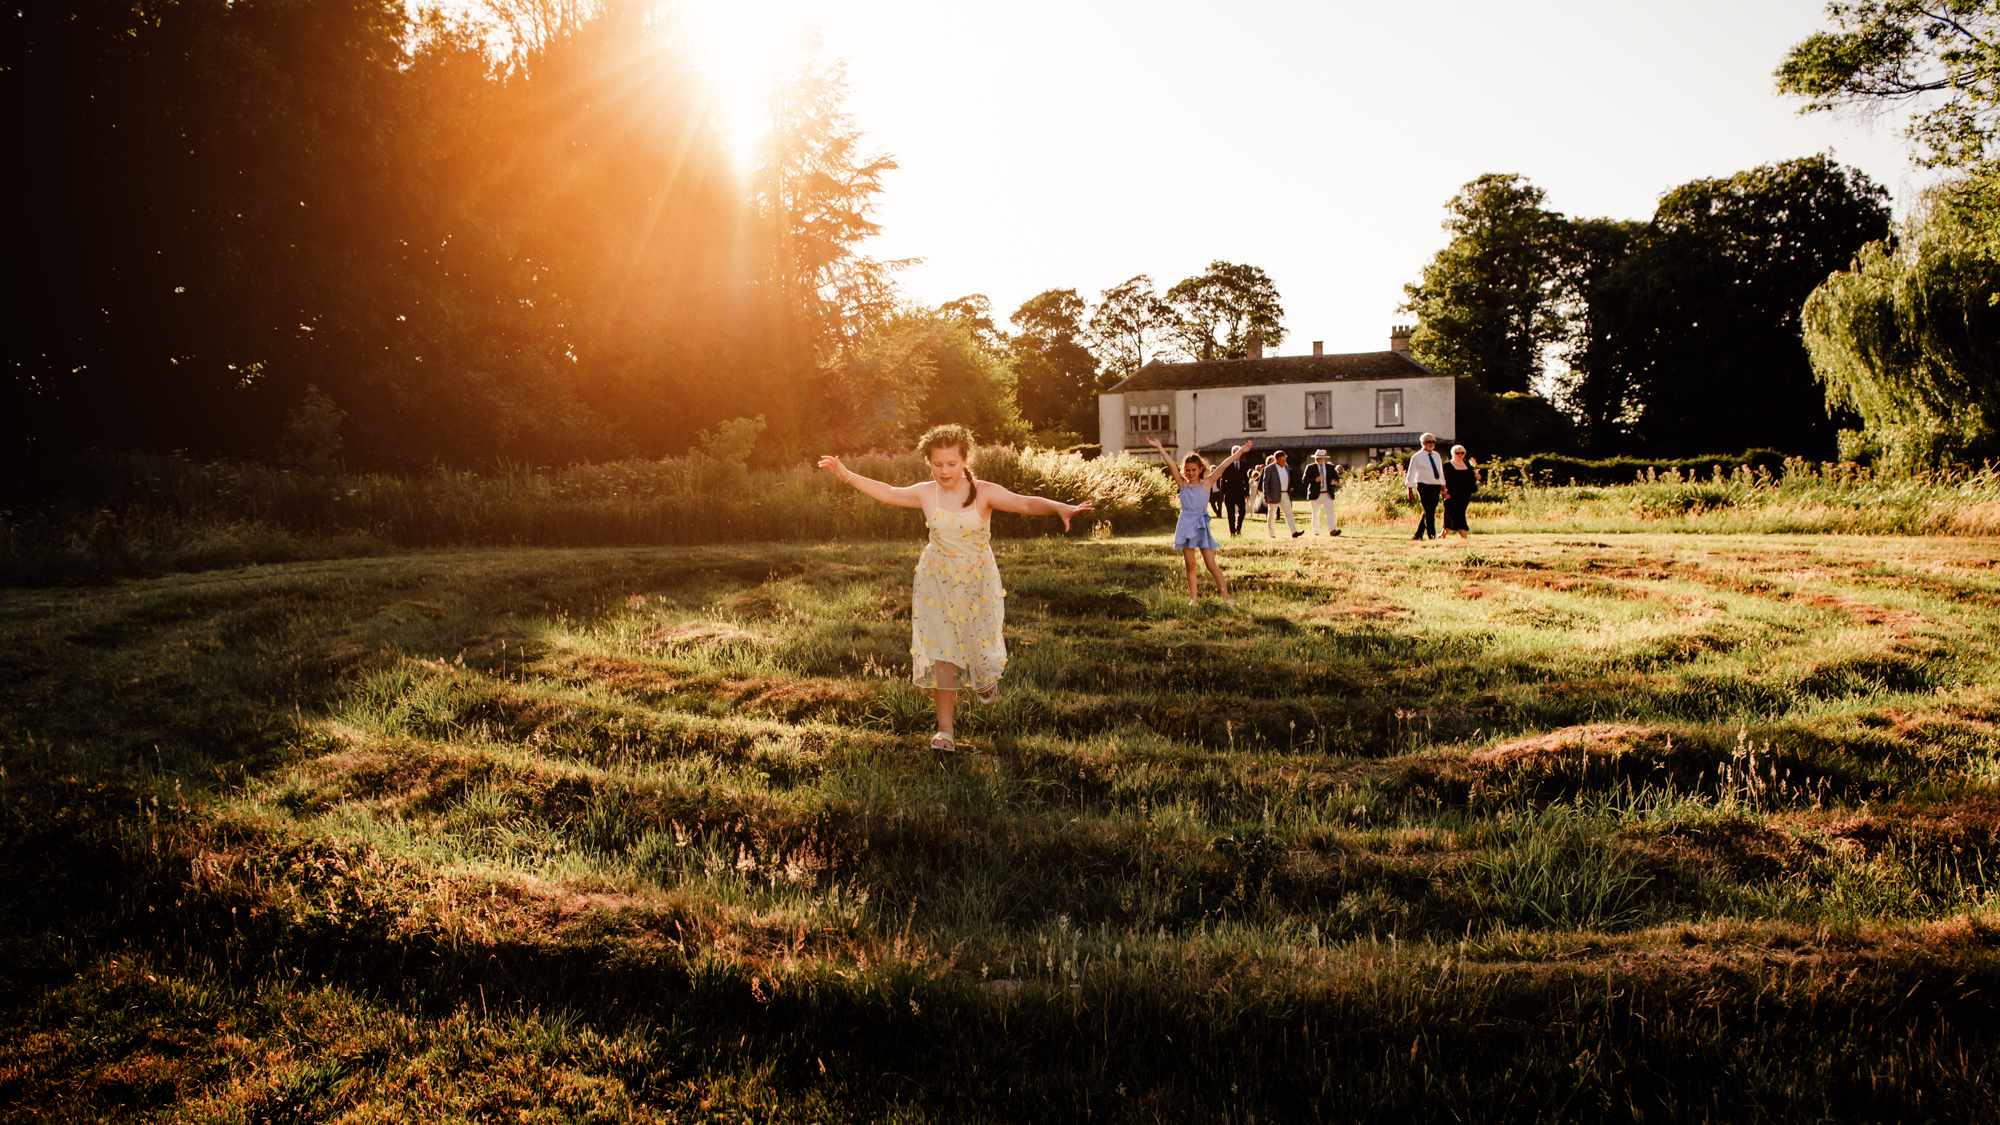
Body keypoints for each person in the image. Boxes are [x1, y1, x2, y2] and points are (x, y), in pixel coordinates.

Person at [819, 424, 1093, 754]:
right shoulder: (925, 492)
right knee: (942, 652)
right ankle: (944, 731)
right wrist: (847, 475)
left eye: (951, 463)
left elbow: (1025, 503)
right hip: (936, 579)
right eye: (937, 464)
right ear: (929, 463)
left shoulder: (985, 491)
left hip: (977, 579)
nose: (944, 471)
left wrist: (1058, 507)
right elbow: (889, 492)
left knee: (978, 644)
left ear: (965, 460)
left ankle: (984, 675)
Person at [1148, 436, 1251, 604]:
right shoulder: (1182, 484)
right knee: (1190, 565)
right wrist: (1159, 447)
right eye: (1187, 470)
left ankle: (1227, 597)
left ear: (1200, 469)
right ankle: (1194, 599)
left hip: (1201, 525)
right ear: (1184, 471)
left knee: (1211, 564)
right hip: (1186, 525)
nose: (1190, 473)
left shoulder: (1207, 483)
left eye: (1194, 470)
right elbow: (1171, 464)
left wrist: (1240, 452)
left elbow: (1224, 465)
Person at [1404, 433, 1446, 541]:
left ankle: (1418, 534)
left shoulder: (1436, 455)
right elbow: (1411, 473)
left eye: (1433, 441)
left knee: (1430, 510)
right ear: (1423, 443)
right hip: (1424, 486)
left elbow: (1440, 471)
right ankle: (1431, 535)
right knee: (1429, 510)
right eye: (1429, 442)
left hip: (1435, 485)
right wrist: (1410, 489)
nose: (1431, 444)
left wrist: (1443, 486)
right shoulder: (1417, 457)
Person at [1442, 444, 1480, 538]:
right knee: (1450, 513)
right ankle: (1463, 535)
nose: (1459, 455)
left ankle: (1443, 533)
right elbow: (1441, 480)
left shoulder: (1467, 465)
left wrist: (1477, 477)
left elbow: (1471, 478)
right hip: (1451, 493)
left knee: (1459, 512)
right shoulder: (1446, 466)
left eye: (1462, 453)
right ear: (1452, 453)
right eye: (1457, 453)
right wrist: (1443, 491)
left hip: (1464, 493)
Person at [1302, 449, 1343, 537]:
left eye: (1320, 458)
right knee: (1315, 514)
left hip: (1327, 493)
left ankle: (1332, 530)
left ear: (1324, 458)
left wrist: (1336, 483)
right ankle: (1316, 532)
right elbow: (1304, 480)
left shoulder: (1330, 467)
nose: (1318, 459)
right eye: (1316, 458)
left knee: (1330, 513)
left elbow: (1336, 478)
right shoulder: (1310, 467)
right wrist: (1314, 480)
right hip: (1315, 493)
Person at [1263, 449, 1303, 538]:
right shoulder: (1269, 469)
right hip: (1273, 494)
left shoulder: (1286, 467)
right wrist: (1267, 496)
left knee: (1288, 513)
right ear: (1276, 459)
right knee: (1272, 515)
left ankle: (1293, 532)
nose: (1284, 462)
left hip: (1285, 494)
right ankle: (1271, 533)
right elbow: (1265, 483)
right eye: (1282, 460)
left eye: (1285, 460)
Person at [1215, 448, 1251, 536]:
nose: (1237, 455)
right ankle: (1232, 532)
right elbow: (1222, 479)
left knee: (1242, 511)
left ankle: (1238, 528)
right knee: (1230, 513)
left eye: (1238, 453)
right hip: (1229, 493)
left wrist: (1246, 493)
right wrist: (1223, 493)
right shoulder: (1227, 464)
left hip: (1240, 493)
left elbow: (1245, 480)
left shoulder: (1243, 465)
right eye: (1235, 453)